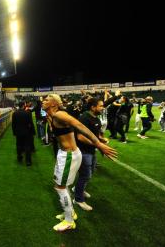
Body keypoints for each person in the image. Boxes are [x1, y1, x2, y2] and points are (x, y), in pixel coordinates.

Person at [42, 94, 117, 232]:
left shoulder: (60, 115)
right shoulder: (53, 116)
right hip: (66, 154)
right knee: (62, 186)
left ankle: (69, 221)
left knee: (60, 187)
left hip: (69, 155)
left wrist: (98, 144)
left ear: (54, 104)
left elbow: (79, 125)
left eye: (46, 100)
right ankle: (69, 213)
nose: (43, 101)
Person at [74, 97, 112, 212]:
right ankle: (78, 199)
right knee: (85, 175)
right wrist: (98, 145)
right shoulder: (84, 118)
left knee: (89, 174)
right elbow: (80, 137)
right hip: (84, 151)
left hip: (92, 151)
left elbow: (96, 135)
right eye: (100, 106)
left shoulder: (97, 119)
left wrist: (102, 139)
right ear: (93, 107)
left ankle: (79, 189)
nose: (102, 108)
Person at [12, 101, 35, 166]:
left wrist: (14, 132)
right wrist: (32, 132)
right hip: (27, 132)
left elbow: (13, 124)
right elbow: (31, 123)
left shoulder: (15, 113)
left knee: (19, 145)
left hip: (18, 133)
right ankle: (28, 161)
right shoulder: (27, 113)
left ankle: (19, 157)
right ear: (23, 105)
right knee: (27, 146)